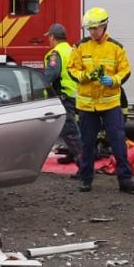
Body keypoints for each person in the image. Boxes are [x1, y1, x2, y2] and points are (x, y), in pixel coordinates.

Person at [67, 6, 134, 194]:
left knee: (118, 142)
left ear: (104, 26)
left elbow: (125, 71)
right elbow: (71, 69)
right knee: (87, 143)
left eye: (95, 28)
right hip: (87, 104)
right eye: (89, 29)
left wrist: (113, 80)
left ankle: (125, 180)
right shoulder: (80, 46)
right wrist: (85, 76)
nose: (92, 32)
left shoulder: (116, 48)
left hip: (109, 103)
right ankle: (85, 179)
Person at [42, 22, 80, 164]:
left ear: (52, 37)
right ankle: (72, 155)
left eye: (49, 37)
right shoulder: (71, 50)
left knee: (70, 131)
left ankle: (82, 164)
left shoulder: (55, 54)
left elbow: (51, 74)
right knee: (75, 128)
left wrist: (39, 88)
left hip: (64, 95)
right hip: (76, 95)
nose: (48, 39)